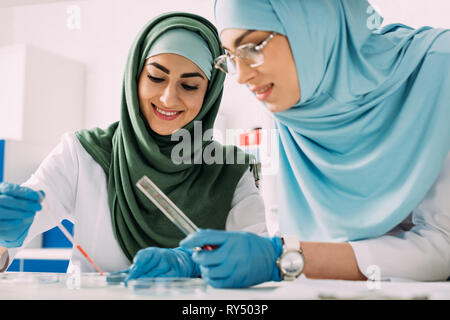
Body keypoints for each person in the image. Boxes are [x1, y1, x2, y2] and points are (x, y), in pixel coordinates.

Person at [180, 0, 450, 288]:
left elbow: (442, 245)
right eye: (231, 57)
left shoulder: (438, 69)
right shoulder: (288, 102)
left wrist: (282, 258)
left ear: (311, 23)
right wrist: (198, 260)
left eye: (253, 47)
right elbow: (289, 235)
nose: (242, 76)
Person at [0, 12, 268, 276]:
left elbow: (259, 258)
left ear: (209, 95)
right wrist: (4, 233)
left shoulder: (230, 170)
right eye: (156, 77)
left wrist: (193, 266)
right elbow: (10, 243)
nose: (168, 98)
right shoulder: (82, 153)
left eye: (189, 86)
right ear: (135, 77)